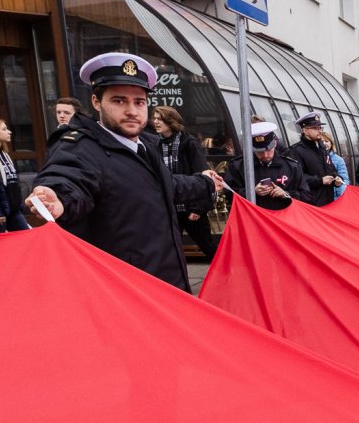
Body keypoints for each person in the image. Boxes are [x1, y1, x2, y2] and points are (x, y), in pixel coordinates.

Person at [25, 52, 222, 292]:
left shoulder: (146, 145)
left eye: (139, 102)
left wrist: (206, 183)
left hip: (168, 284)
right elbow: (69, 177)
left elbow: (164, 186)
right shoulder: (80, 147)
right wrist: (58, 197)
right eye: (119, 101)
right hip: (125, 292)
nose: (132, 111)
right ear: (97, 102)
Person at [151, 105, 218, 260]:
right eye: (154, 118)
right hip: (168, 208)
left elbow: (203, 175)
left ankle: (226, 275)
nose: (156, 122)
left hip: (190, 208)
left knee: (207, 245)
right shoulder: (154, 144)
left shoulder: (188, 143)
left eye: (160, 119)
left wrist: (198, 208)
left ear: (171, 121)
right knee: (169, 249)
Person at [224, 123, 309, 210]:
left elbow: (306, 196)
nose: (265, 155)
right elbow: (228, 193)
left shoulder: (291, 166)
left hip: (283, 218)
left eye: (268, 150)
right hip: (253, 218)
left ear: (275, 144)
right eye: (259, 151)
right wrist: (251, 192)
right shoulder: (238, 166)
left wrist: (286, 194)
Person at [284, 111, 341, 207]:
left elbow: (330, 168)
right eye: (315, 128)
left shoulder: (322, 147)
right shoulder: (296, 151)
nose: (319, 131)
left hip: (328, 201)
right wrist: (320, 180)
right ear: (305, 131)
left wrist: (336, 178)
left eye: (320, 127)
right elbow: (297, 178)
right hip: (311, 204)